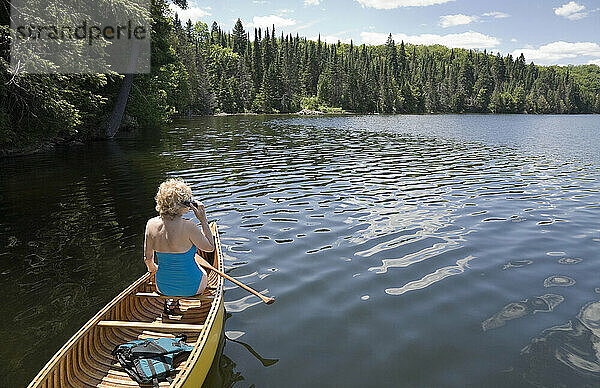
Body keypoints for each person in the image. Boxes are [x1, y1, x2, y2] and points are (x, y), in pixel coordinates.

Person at [143, 178, 215, 300]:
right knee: (202, 271)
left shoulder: (150, 224)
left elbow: (148, 259)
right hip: (193, 288)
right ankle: (204, 304)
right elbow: (209, 248)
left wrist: (153, 269)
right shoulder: (189, 226)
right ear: (183, 205)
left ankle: (171, 302)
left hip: (162, 287)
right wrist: (203, 220)